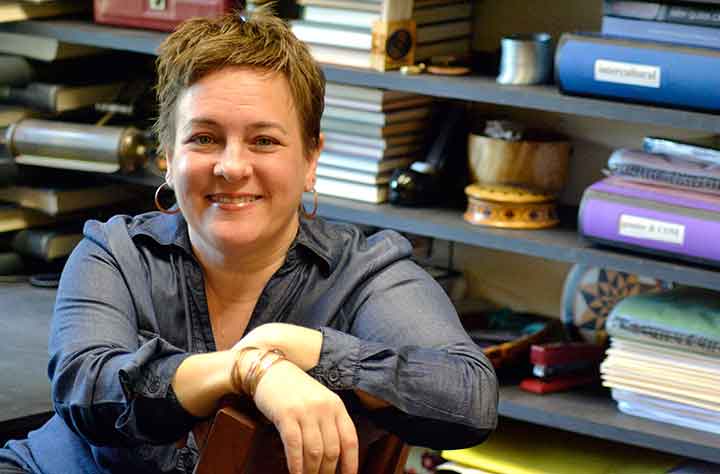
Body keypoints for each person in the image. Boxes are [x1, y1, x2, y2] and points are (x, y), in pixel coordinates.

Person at [0, 5, 498, 474]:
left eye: (264, 140)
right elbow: (88, 392)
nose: (232, 167)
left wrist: (307, 350)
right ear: (168, 157)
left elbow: (468, 398)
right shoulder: (116, 254)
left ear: (310, 159)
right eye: (204, 138)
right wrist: (249, 370)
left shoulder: (364, 273)